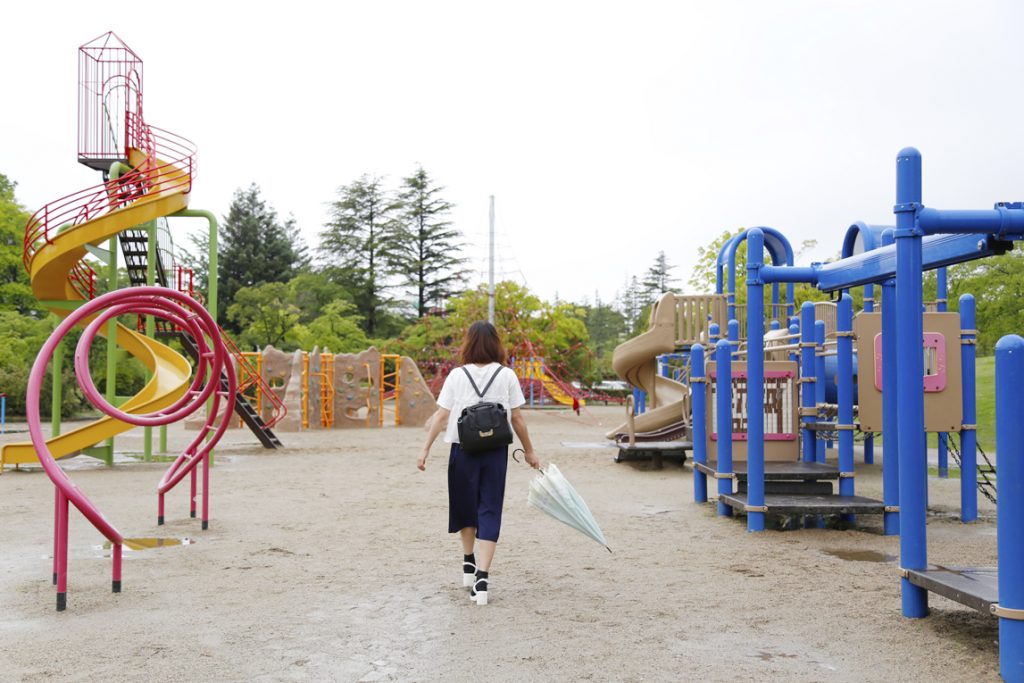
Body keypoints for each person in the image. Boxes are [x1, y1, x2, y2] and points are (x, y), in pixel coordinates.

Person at [419, 321, 540, 606]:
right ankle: (482, 579)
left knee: (465, 506)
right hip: (496, 451)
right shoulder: (507, 375)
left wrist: (424, 450)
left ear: (468, 344)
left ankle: (467, 562)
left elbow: (441, 416)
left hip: (463, 449)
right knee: (489, 508)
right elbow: (518, 418)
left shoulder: (456, 376)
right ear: (496, 343)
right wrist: (530, 451)